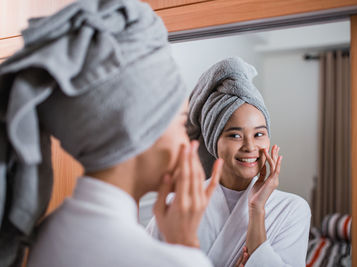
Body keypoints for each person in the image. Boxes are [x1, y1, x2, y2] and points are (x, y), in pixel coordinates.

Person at [0, 0, 223, 266]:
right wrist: (186, 247)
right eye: (181, 123)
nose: (190, 142)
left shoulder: (48, 233)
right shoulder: (173, 261)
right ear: (139, 129)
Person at [147, 57, 311, 267]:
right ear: (214, 141)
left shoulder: (292, 209)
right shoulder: (176, 206)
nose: (250, 147)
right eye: (235, 135)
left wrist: (257, 209)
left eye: (259, 134)